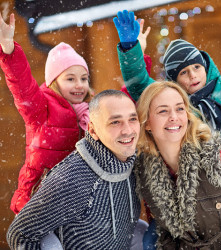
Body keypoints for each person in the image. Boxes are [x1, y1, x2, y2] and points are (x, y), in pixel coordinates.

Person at [113, 1, 221, 248]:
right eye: (184, 73)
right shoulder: (174, 103)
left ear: (205, 66)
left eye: (196, 67)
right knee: (151, 239)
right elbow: (138, 86)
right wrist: (130, 48)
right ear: (174, 81)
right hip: (186, 191)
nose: (193, 76)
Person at [0, 12, 151, 214]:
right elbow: (21, 84)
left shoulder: (92, 112)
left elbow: (125, 99)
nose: (79, 85)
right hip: (41, 201)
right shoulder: (39, 108)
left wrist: (135, 54)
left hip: (78, 200)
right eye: (70, 79)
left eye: (84, 78)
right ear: (54, 81)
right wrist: (9, 49)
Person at [134, 81, 221, 249]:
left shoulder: (215, 156)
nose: (174, 116)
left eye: (180, 108)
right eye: (163, 111)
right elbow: (157, 218)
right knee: (150, 236)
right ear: (147, 123)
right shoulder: (145, 171)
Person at [7, 89, 141, 249]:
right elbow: (20, 234)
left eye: (132, 119)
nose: (128, 130)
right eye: (115, 122)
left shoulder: (135, 167)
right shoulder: (72, 178)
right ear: (92, 130)